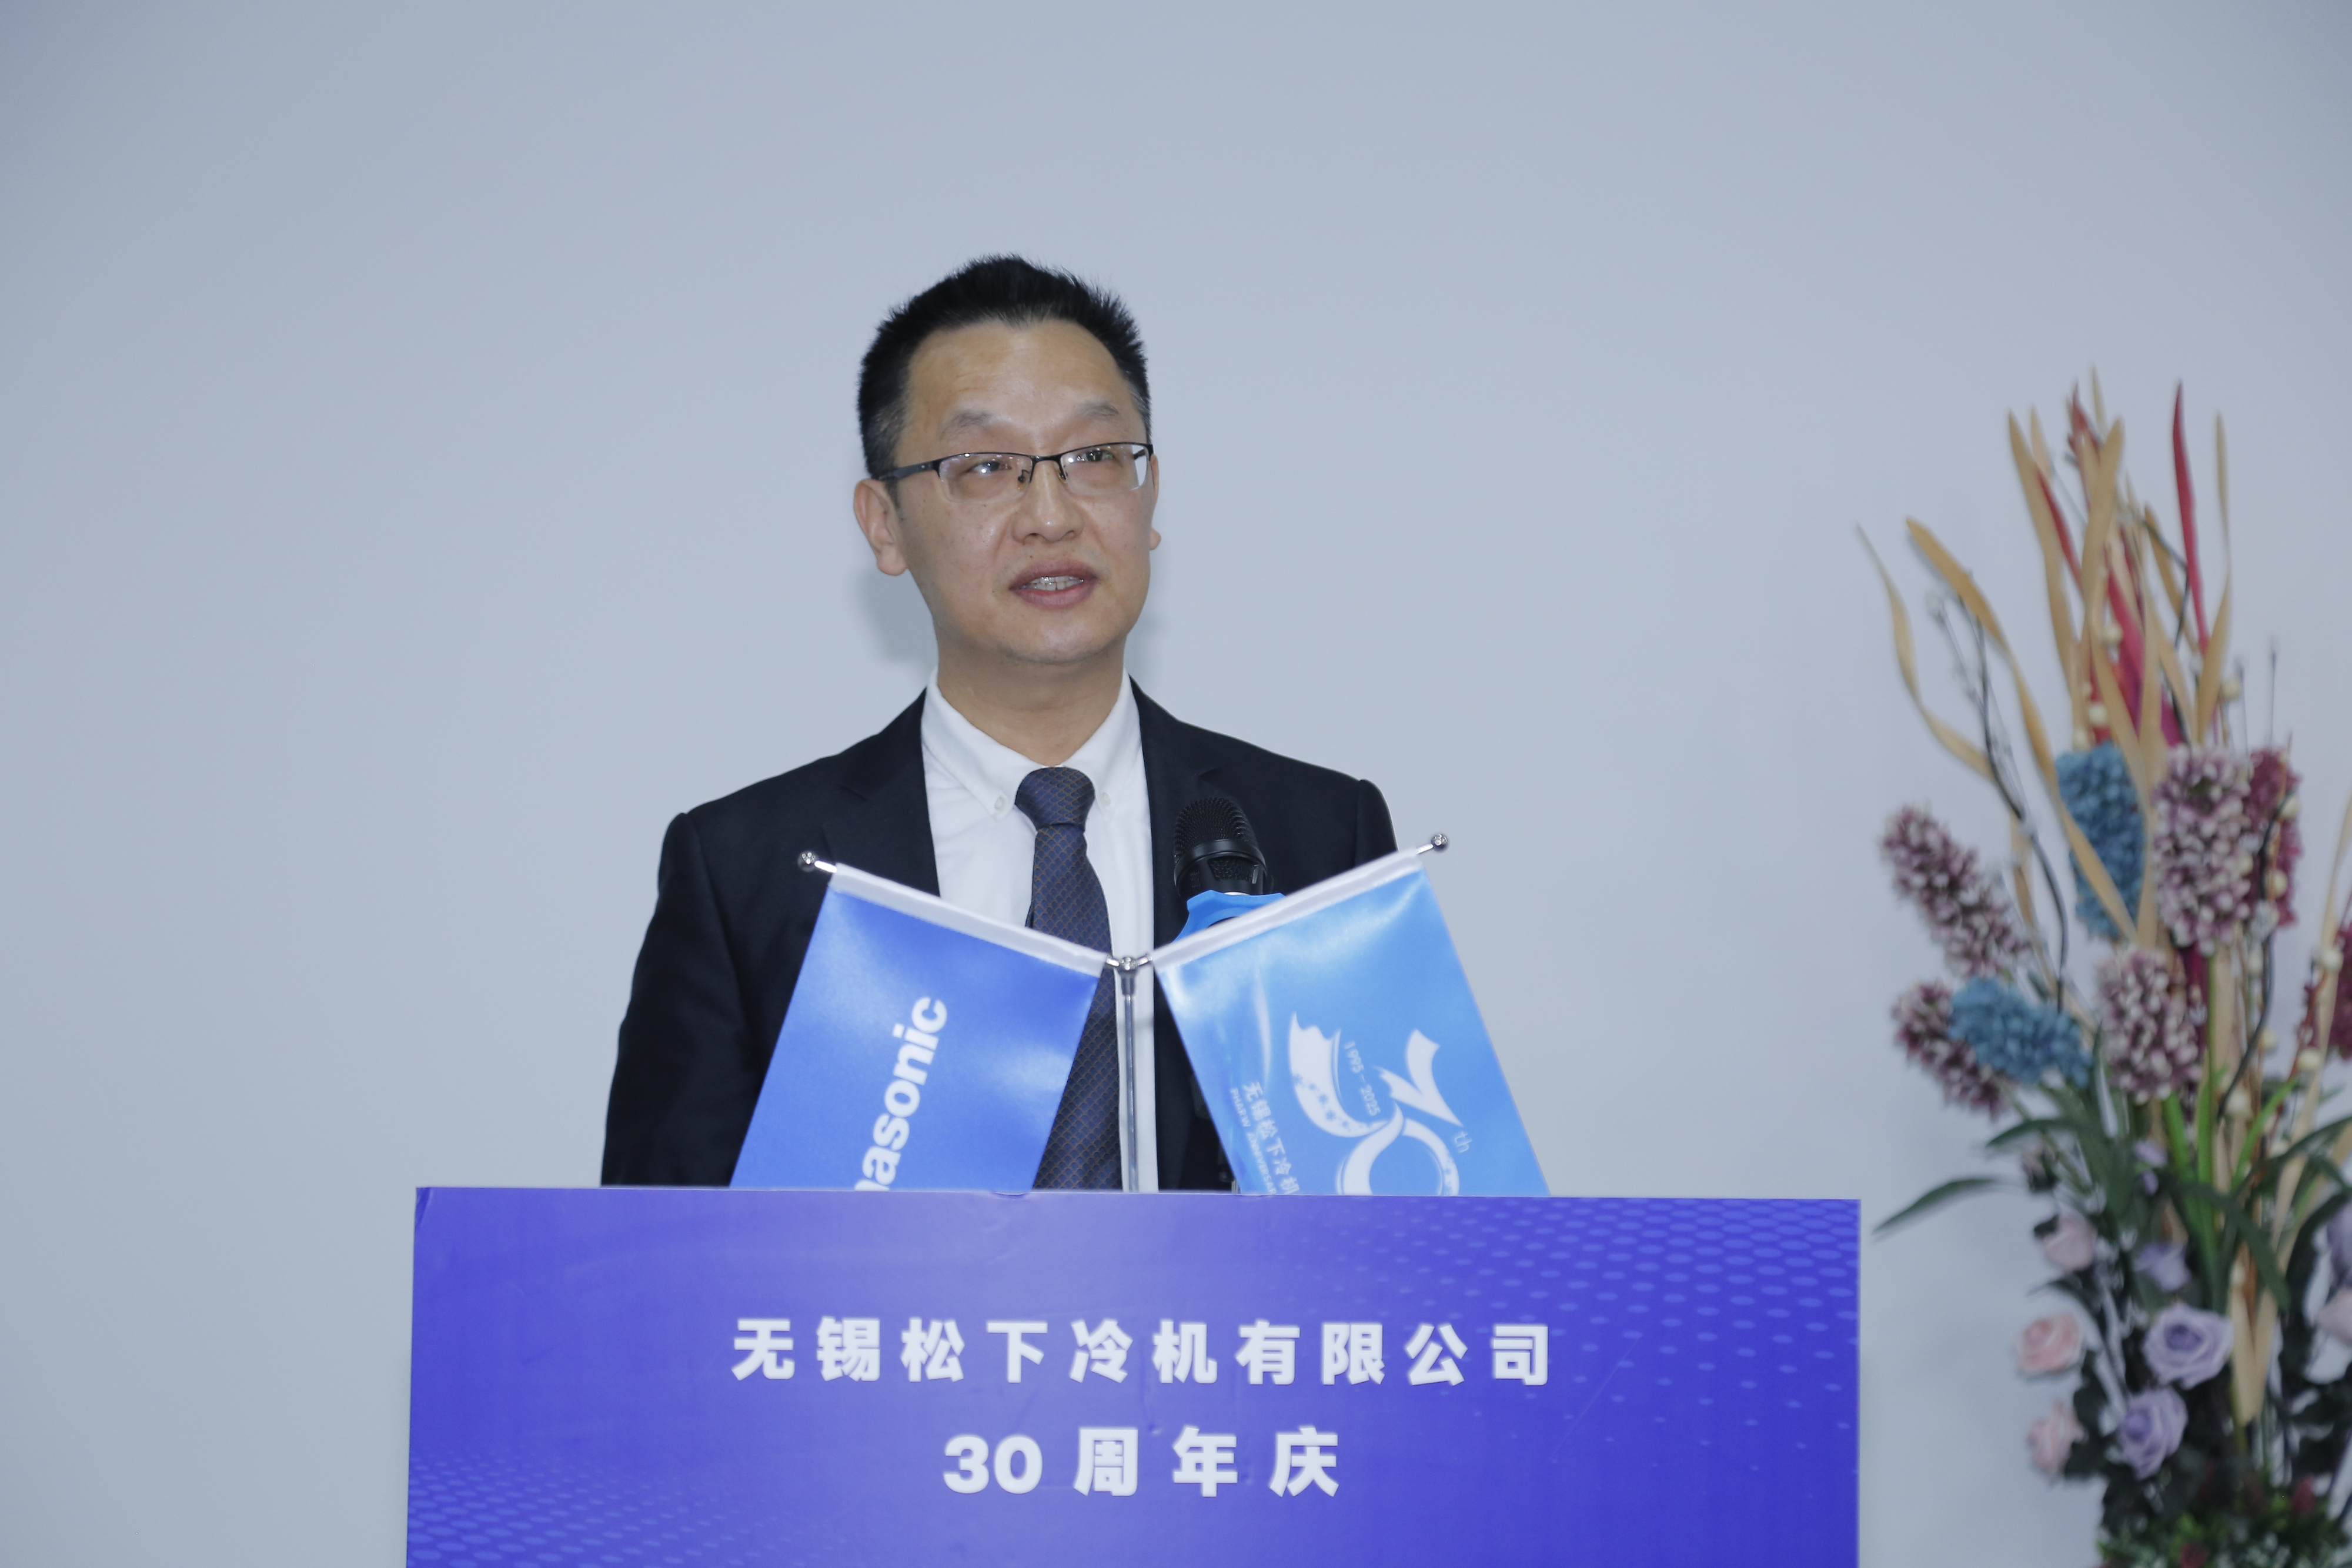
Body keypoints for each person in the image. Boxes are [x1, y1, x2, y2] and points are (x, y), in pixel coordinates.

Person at [600, 256, 1396, 1190]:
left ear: (1149, 496)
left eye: (1095, 457)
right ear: (884, 524)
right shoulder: (749, 871)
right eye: (985, 468)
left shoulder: (1318, 838)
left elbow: (1391, 1218)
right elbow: (659, 1248)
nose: (1051, 516)